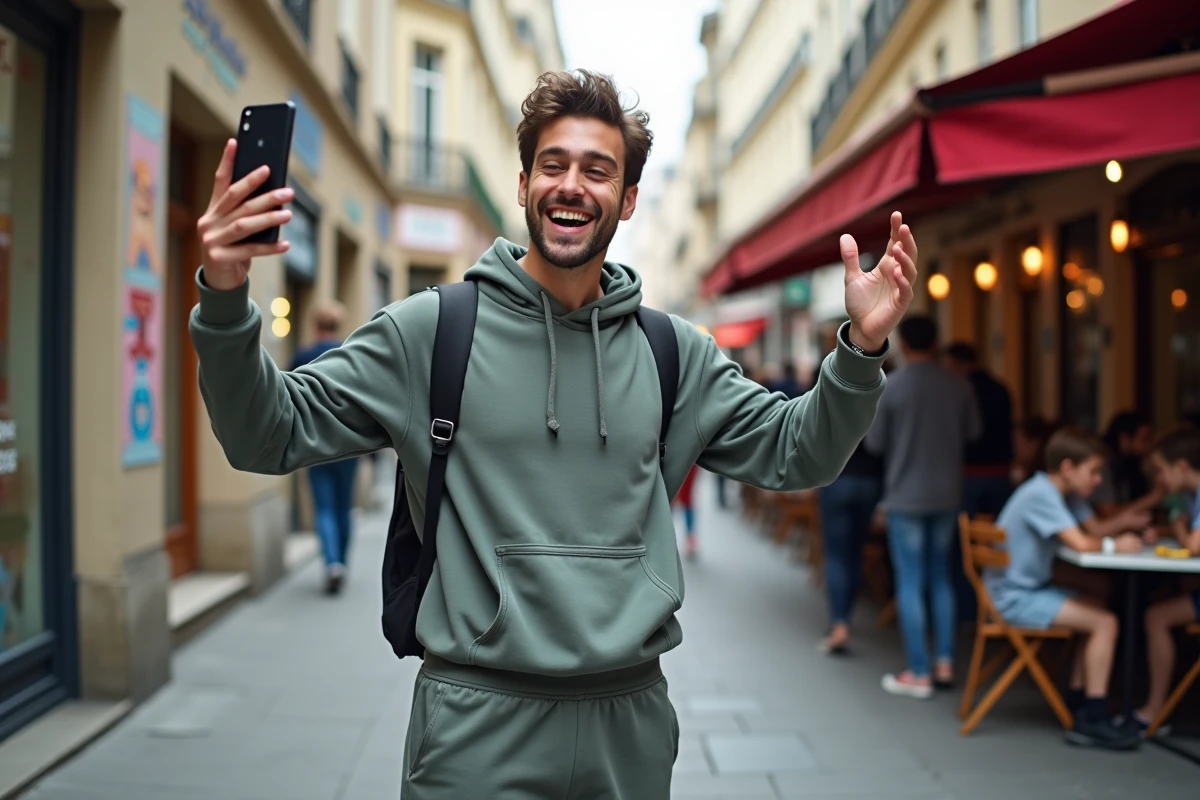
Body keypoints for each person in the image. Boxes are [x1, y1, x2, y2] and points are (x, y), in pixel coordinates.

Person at [189, 69, 919, 798]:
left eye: (598, 170)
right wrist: (225, 298)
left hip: (627, 724)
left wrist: (858, 350)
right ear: (523, 184)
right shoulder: (431, 331)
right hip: (475, 725)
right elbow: (266, 434)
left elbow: (802, 452)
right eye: (553, 165)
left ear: (627, 199)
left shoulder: (675, 353)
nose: (572, 184)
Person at [986, 427, 1144, 750]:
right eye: (1094, 471)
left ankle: (1078, 699)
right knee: (1105, 622)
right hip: (1014, 599)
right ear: (1069, 468)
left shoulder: (1060, 493)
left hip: (1022, 590)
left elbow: (1096, 529)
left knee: (1097, 603)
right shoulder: (1042, 494)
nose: (1098, 480)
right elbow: (1084, 543)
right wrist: (1117, 545)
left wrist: (1126, 528)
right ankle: (1093, 718)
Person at [867, 315, 981, 698]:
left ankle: (919, 671)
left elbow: (875, 444)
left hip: (905, 495)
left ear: (901, 341)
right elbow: (974, 434)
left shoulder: (892, 387)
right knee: (941, 577)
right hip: (948, 493)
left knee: (911, 582)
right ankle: (945, 661)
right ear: (936, 341)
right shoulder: (958, 384)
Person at [1132, 427, 1200, 735]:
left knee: (1156, 616)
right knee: (1161, 605)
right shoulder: (1190, 495)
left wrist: (1177, 523)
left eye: (1161, 470)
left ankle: (1154, 710)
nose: (1159, 479)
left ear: (1182, 466)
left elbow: (1195, 545)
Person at [290, 302, 360, 595]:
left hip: (314, 444)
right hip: (349, 443)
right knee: (345, 506)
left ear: (315, 325)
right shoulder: (351, 354)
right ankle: (341, 561)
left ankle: (332, 562)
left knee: (325, 507)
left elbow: (289, 398)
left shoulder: (303, 356)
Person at [816, 439, 883, 655]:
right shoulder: (877, 403)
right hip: (870, 480)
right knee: (855, 552)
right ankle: (846, 617)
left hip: (837, 477)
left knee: (837, 554)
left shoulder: (834, 403)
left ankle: (839, 622)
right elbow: (880, 443)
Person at [944, 342, 1014, 517]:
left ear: (958, 364)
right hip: (1000, 470)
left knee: (965, 531)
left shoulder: (960, 390)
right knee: (997, 529)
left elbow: (969, 432)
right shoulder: (1000, 388)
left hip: (970, 470)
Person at [1093, 411, 1160, 519]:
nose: (1148, 445)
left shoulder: (1131, 464)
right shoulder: (1102, 466)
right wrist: (1154, 497)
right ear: (1124, 439)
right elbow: (1108, 513)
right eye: (1144, 439)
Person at [674, 464, 700, 559]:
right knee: (670, 497)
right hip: (670, 459)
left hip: (690, 462)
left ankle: (690, 538)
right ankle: (690, 538)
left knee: (686, 498)